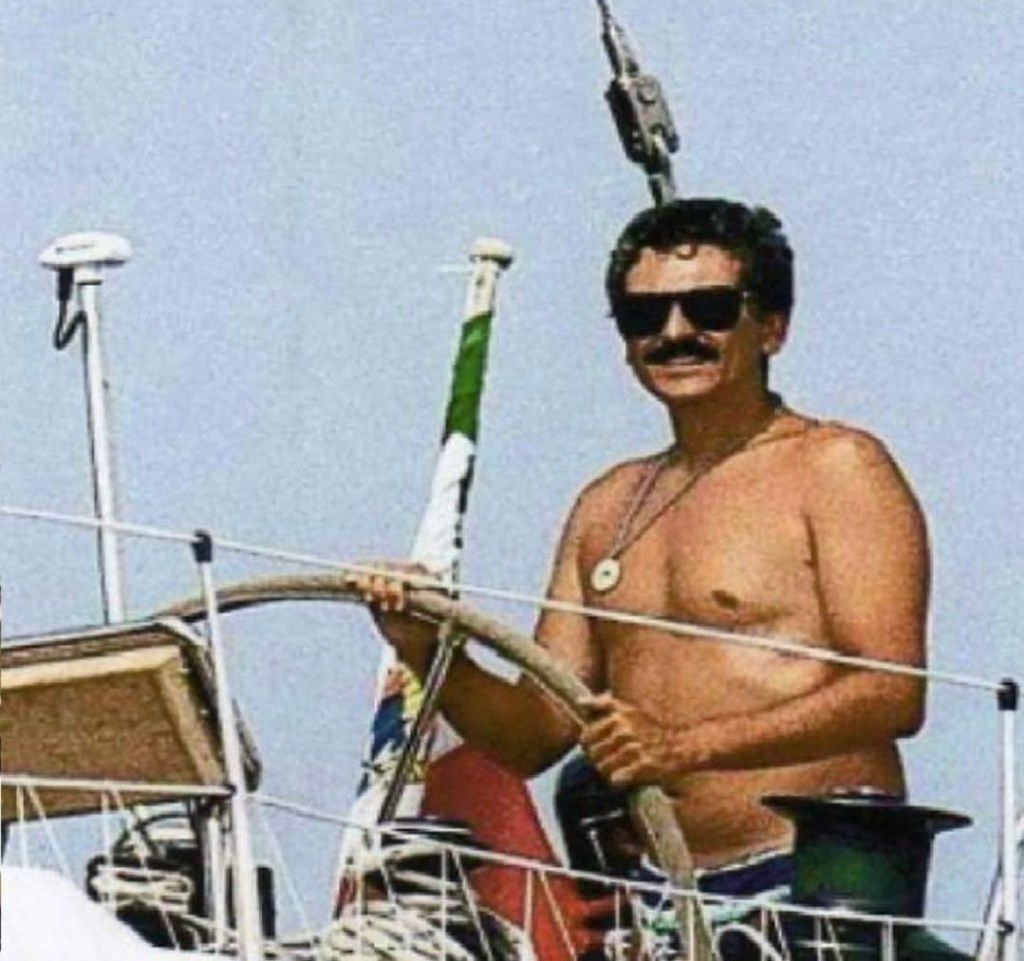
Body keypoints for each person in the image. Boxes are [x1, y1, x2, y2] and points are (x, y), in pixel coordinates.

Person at [360, 198, 928, 902]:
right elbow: (534, 736)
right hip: (655, 897)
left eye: (710, 308)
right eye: (644, 315)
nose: (675, 332)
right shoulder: (606, 505)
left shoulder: (838, 467)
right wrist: (427, 646)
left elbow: (892, 693)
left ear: (772, 327)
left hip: (813, 890)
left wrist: (683, 747)